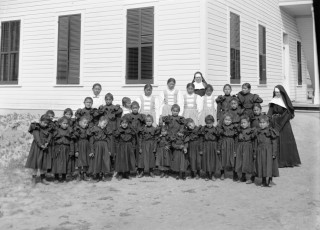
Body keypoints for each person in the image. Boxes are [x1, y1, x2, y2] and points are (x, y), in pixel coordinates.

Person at [267, 85, 301, 168]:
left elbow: (288, 113)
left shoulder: (285, 101)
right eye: (275, 92)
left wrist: (280, 122)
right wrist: (267, 118)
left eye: (278, 92)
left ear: (282, 92)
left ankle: (287, 161)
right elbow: (270, 111)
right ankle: (276, 160)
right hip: (274, 122)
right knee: (275, 140)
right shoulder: (273, 100)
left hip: (284, 123)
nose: (277, 93)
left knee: (286, 141)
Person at [25, 114, 52, 185]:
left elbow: (50, 135)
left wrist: (47, 143)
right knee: (35, 163)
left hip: (44, 148)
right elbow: (37, 138)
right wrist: (41, 145)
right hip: (37, 147)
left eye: (47, 123)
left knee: (43, 163)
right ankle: (34, 178)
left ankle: (43, 178)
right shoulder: (36, 127)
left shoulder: (48, 128)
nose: (45, 125)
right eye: (44, 123)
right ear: (40, 121)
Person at [254, 114, 279, 187]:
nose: (261, 125)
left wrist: (274, 152)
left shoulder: (270, 131)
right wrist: (255, 152)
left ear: (267, 123)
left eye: (263, 123)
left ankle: (269, 180)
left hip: (268, 151)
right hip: (260, 150)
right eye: (260, 123)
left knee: (268, 165)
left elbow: (274, 142)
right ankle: (263, 180)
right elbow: (256, 142)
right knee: (261, 165)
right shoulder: (257, 131)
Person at [88, 116, 112, 182]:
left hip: (104, 147)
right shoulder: (94, 129)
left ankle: (103, 175)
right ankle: (97, 176)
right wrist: (92, 150)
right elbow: (91, 141)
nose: (105, 125)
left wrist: (109, 150)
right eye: (104, 123)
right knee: (97, 161)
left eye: (106, 124)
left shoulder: (105, 130)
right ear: (100, 122)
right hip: (97, 147)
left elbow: (108, 140)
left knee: (104, 160)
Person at [52, 116, 75, 183]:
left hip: (66, 149)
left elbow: (71, 141)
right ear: (60, 123)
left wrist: (72, 150)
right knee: (57, 163)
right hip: (58, 148)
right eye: (64, 123)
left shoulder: (69, 131)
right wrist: (53, 149)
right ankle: (56, 177)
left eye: (67, 124)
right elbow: (53, 140)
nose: (65, 125)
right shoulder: (57, 130)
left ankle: (64, 177)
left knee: (65, 163)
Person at [200, 115, 221, 181]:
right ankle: (207, 174)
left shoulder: (216, 129)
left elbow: (219, 140)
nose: (209, 125)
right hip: (206, 145)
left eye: (210, 123)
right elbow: (201, 140)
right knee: (206, 160)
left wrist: (218, 148)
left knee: (213, 160)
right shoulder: (203, 129)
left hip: (214, 146)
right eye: (207, 123)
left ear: (213, 122)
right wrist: (201, 149)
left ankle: (212, 175)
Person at [235, 115, 255, 184]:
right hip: (240, 147)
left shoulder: (251, 131)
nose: (243, 124)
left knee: (247, 162)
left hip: (248, 147)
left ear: (248, 123)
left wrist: (253, 149)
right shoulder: (239, 131)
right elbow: (237, 140)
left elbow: (253, 140)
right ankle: (242, 177)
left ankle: (249, 178)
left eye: (244, 123)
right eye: (242, 123)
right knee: (241, 161)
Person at [218, 113, 238, 181]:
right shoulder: (221, 128)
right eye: (226, 119)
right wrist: (219, 148)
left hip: (231, 145)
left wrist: (235, 149)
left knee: (232, 159)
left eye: (229, 120)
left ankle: (235, 173)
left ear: (232, 121)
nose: (227, 121)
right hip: (224, 144)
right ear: (223, 120)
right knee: (223, 158)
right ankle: (222, 173)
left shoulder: (234, 128)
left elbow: (236, 139)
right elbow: (220, 139)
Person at [73, 116, 90, 181]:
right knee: (79, 161)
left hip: (86, 146)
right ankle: (80, 174)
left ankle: (85, 174)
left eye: (87, 123)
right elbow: (75, 141)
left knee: (85, 160)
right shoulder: (77, 130)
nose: (86, 124)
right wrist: (76, 150)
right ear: (80, 123)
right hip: (80, 146)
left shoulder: (87, 130)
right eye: (84, 123)